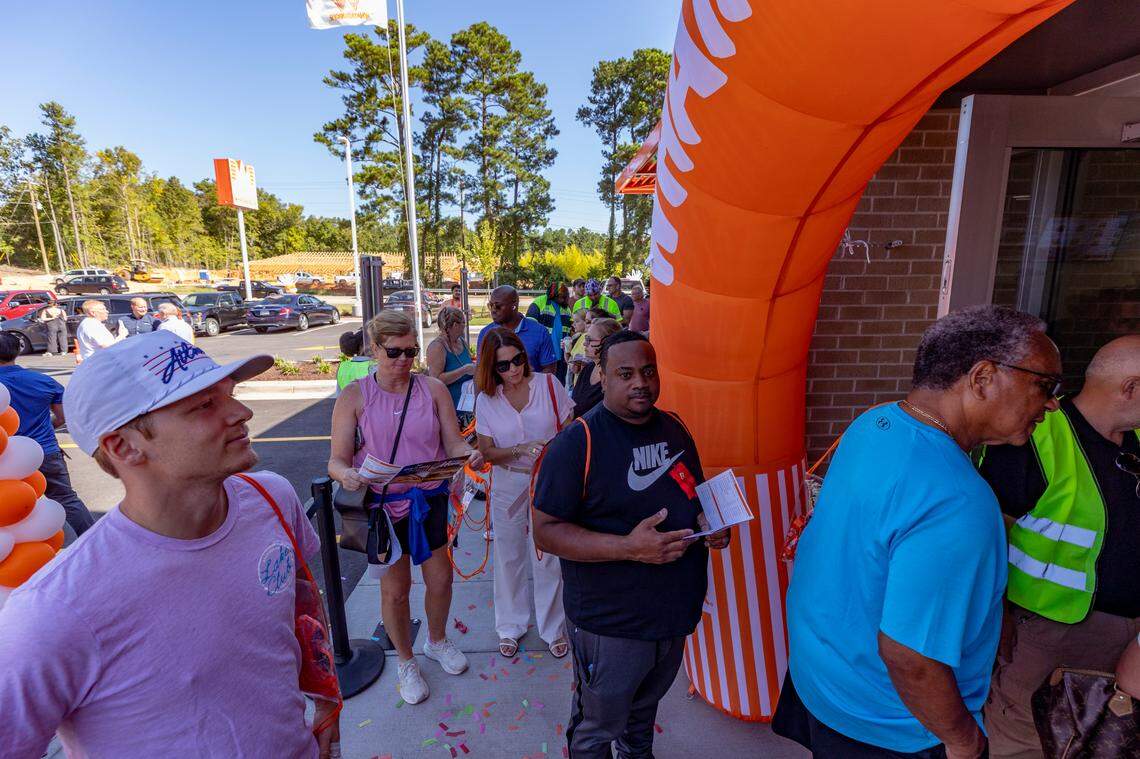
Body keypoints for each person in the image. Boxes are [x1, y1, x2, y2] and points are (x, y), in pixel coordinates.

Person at [0, 331, 342, 758]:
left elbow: (302, 603)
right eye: (204, 405)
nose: (242, 412)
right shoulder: (53, 612)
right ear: (124, 447)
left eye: (229, 394)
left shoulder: (270, 497)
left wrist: (327, 694)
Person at [775, 305, 1063, 759]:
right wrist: (964, 741)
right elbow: (911, 657)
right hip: (893, 726)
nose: (1051, 403)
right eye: (1045, 385)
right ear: (982, 377)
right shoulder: (958, 501)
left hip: (824, 683)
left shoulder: (875, 422)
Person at [533, 331, 730, 759]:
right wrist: (629, 547)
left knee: (643, 716)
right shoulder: (576, 444)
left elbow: (693, 494)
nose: (640, 382)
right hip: (611, 624)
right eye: (625, 373)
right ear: (600, 376)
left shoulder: (674, 427)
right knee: (597, 728)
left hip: (673, 613)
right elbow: (546, 531)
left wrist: (710, 522)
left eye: (647, 371)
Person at [978, 334, 1140, 758]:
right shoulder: (1036, 433)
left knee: (1110, 745)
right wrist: (995, 613)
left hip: (1129, 641)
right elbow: (983, 532)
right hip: (1051, 633)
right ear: (1131, 388)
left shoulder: (1136, 437)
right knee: (1028, 743)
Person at [328, 310, 482, 706]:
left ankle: (436, 640)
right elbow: (337, 460)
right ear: (374, 349)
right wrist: (347, 475)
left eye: (411, 351)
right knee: (395, 592)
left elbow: (452, 442)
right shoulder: (355, 396)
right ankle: (407, 662)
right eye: (394, 352)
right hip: (383, 506)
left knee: (441, 580)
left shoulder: (432, 390)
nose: (403, 361)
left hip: (427, 501)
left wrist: (470, 454)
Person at [474, 328, 573, 660]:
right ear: (492, 369)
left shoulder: (548, 385)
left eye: (517, 360)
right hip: (508, 484)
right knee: (509, 557)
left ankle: (553, 627)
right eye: (504, 366)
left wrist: (552, 453)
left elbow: (572, 430)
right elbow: (487, 452)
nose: (514, 370)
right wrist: (520, 450)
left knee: (548, 557)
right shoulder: (486, 400)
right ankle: (510, 626)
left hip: (549, 483)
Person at [0, 333, 94, 538]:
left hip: (3, 461)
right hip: (44, 451)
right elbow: (62, 417)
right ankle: (93, 540)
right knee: (66, 498)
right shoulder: (43, 381)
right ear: (17, 351)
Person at [477, 285, 557, 374]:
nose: (493, 310)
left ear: (513, 305)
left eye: (497, 306)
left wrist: (525, 381)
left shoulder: (540, 332)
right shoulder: (485, 333)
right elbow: (480, 371)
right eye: (490, 305)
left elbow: (550, 370)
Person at [426, 306, 474, 414]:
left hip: (468, 406)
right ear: (455, 325)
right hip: (449, 410)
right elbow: (435, 380)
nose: (464, 326)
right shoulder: (437, 347)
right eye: (463, 323)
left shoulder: (462, 341)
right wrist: (464, 370)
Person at [571, 317, 621, 419]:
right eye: (585, 339)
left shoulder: (617, 377)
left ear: (607, 342)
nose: (585, 343)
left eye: (589, 339)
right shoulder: (587, 369)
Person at [526, 282, 571, 381]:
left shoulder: (566, 308)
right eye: (561, 297)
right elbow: (528, 327)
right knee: (542, 384)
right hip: (543, 354)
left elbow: (569, 330)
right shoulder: (539, 302)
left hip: (561, 355)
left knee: (559, 385)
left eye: (565, 297)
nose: (563, 299)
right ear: (553, 295)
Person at [75, 299, 122, 364]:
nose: (107, 311)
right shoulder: (92, 325)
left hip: (96, 362)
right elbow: (107, 346)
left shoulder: (89, 323)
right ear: (93, 313)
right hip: (99, 364)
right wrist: (121, 336)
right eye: (103, 309)